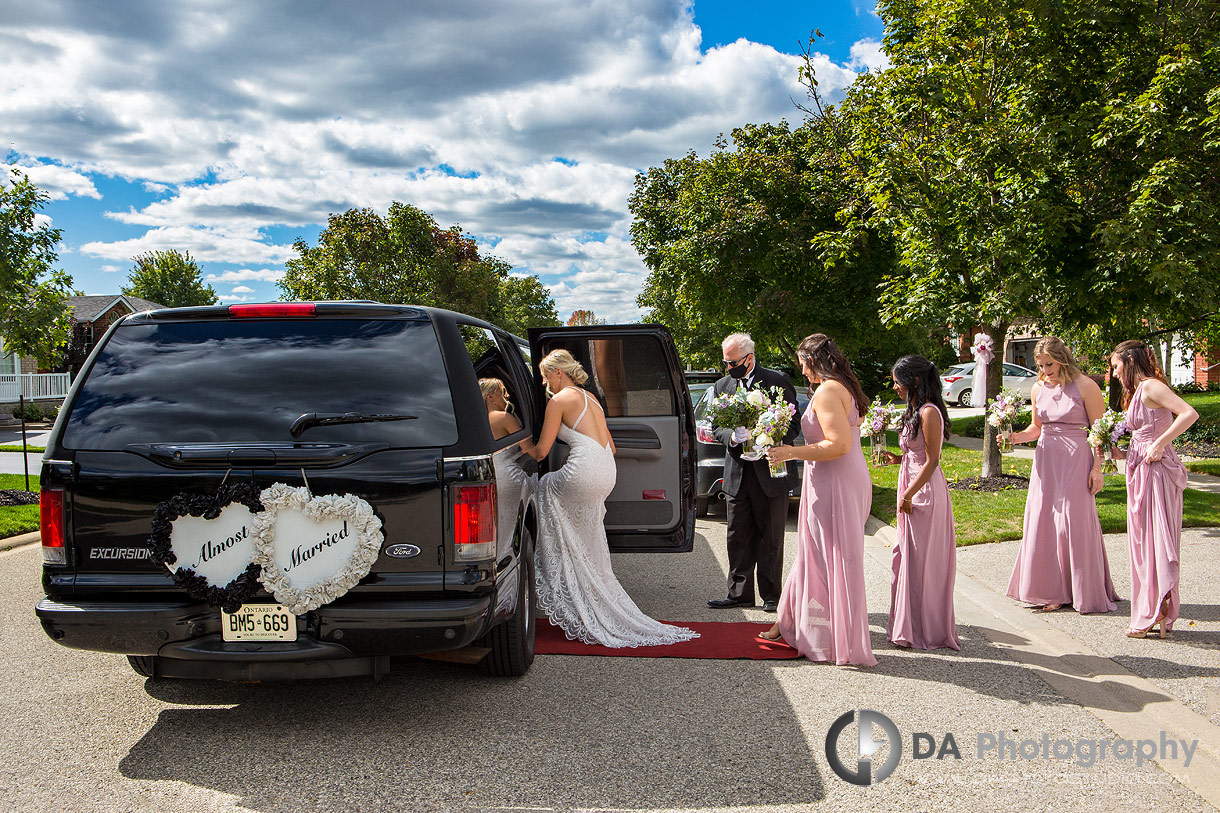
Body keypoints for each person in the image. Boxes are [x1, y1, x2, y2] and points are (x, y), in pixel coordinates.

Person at [528, 350, 697, 647]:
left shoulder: (558, 401)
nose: (545, 384)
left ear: (558, 373)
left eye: (545, 377)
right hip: (606, 470)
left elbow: (541, 452)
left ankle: (564, 581)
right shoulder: (592, 398)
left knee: (543, 488)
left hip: (584, 472)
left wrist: (517, 442)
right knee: (587, 537)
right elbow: (613, 447)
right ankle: (587, 586)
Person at [760, 334, 876, 666]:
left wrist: (790, 452)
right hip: (842, 476)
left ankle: (835, 637)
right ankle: (787, 621)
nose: (801, 370)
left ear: (812, 361)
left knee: (830, 555)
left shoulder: (827, 391)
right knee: (817, 553)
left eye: (802, 363)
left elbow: (838, 444)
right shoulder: (844, 387)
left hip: (835, 480)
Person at [1002, 338, 1119, 614]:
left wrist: (1097, 467)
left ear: (1062, 358)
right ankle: (1050, 589)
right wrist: (1013, 437)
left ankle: (1080, 589)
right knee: (1045, 519)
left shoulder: (1086, 386)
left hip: (1077, 458)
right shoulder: (1038, 387)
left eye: (1049, 364)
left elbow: (1099, 432)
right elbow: (1036, 427)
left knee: (1073, 521)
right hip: (1046, 460)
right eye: (1040, 365)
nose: (1044, 370)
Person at [706, 333, 800, 613]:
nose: (727, 367)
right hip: (738, 474)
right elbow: (715, 426)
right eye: (725, 362)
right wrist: (731, 436)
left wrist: (766, 434)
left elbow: (793, 424)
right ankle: (739, 594)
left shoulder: (777, 381)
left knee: (770, 536)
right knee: (737, 535)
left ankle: (771, 596)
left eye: (732, 362)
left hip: (770, 471)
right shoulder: (723, 385)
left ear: (749, 358)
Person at [1110, 340, 1198, 638]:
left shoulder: (1150, 387)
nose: (1113, 373)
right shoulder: (1137, 393)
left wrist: (1159, 444)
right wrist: (1120, 451)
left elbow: (1188, 413)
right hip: (1140, 467)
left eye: (1116, 366)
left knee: (1154, 541)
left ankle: (1155, 609)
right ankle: (1153, 608)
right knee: (1142, 543)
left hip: (1156, 471)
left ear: (1130, 362)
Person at [877, 355, 960, 650]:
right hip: (911, 484)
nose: (895, 386)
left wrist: (909, 493)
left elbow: (933, 459)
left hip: (924, 492)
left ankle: (928, 629)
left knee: (923, 563)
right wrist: (897, 459)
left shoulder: (929, 412)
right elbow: (916, 454)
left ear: (914, 381)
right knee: (907, 560)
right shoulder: (913, 410)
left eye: (898, 381)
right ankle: (908, 626)